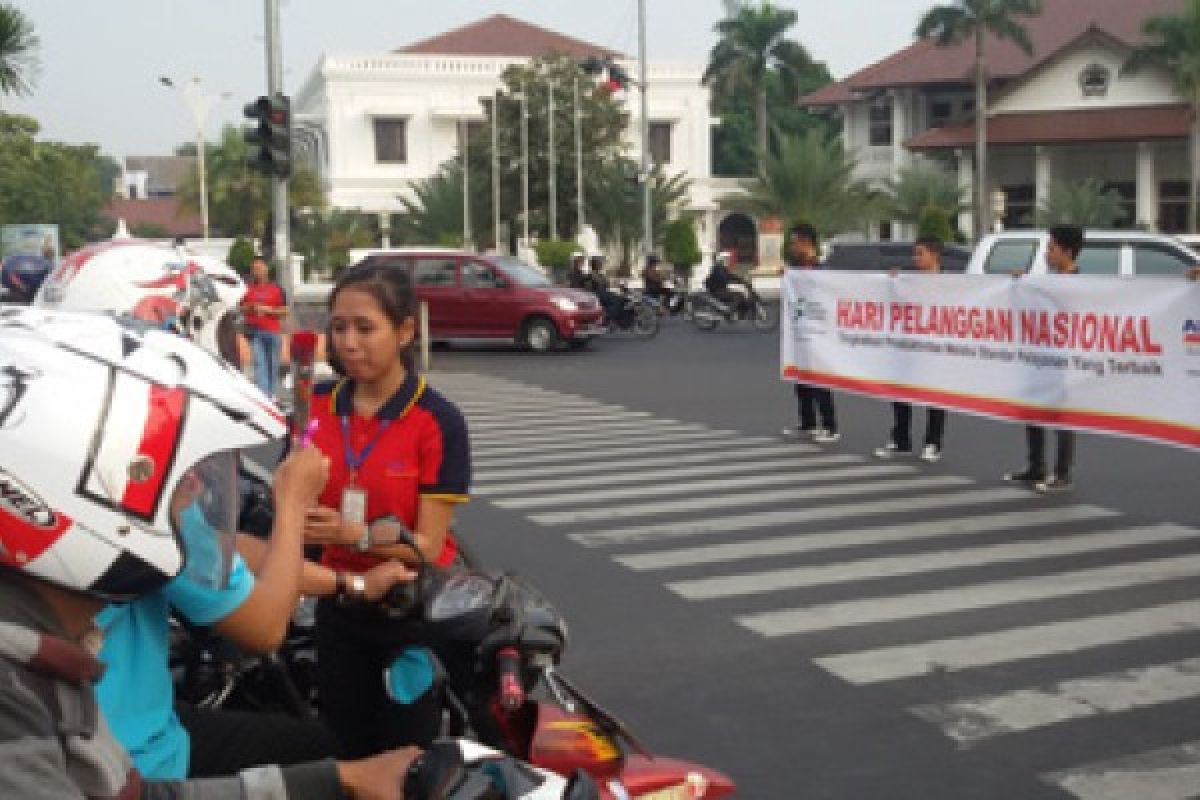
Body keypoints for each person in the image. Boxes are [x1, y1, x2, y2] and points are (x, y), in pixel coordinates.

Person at [0, 308, 419, 799]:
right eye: (156, 465)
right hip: (152, 746)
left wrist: (355, 583)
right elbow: (262, 627)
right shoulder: (17, 703)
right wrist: (292, 505)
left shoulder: (48, 650)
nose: (190, 486)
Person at [303, 263, 471, 759]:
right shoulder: (315, 406)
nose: (349, 343)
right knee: (344, 746)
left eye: (365, 328)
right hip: (338, 603)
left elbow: (428, 545)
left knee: (405, 752)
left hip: (410, 612)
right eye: (338, 328)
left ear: (404, 331)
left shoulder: (437, 422)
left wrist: (351, 534)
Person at [1004, 223, 1084, 493]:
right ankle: (1035, 466)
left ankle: (1062, 472)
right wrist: (1020, 283)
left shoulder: (1082, 284)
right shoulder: (1045, 280)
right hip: (1039, 356)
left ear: (1068, 252)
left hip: (1065, 360)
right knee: (1034, 408)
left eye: (1051, 248)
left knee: (1063, 415)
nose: (1047, 254)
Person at [875, 235, 948, 462]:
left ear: (935, 255)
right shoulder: (908, 281)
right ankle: (901, 439)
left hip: (935, 348)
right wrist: (893, 282)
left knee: (934, 395)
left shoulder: (951, 284)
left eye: (920, 253)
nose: (915, 258)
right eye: (914, 253)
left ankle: (933, 442)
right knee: (901, 392)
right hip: (908, 347)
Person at [779, 224, 839, 444]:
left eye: (795, 242)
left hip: (820, 334)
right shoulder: (796, 270)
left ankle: (830, 426)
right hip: (801, 333)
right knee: (801, 380)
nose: (793, 246)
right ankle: (808, 423)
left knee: (820, 382)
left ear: (806, 243)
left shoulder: (821, 269)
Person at [241, 255, 288, 399]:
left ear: (266, 269)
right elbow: (241, 307)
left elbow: (285, 311)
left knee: (273, 365)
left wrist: (268, 310)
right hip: (255, 333)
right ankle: (264, 397)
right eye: (254, 269)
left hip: (273, 332)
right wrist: (251, 308)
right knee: (259, 364)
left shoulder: (276, 289)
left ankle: (273, 394)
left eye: (260, 268)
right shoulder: (247, 289)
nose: (257, 271)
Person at [703, 250, 751, 317]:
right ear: (721, 259)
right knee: (738, 296)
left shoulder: (722, 268)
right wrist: (735, 282)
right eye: (726, 259)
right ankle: (729, 311)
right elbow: (724, 279)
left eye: (727, 259)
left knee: (740, 293)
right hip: (717, 291)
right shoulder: (717, 268)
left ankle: (739, 312)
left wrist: (740, 279)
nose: (727, 260)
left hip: (721, 289)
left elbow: (730, 275)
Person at [585, 254, 623, 323]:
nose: (601, 264)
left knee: (620, 298)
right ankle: (607, 317)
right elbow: (588, 289)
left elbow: (608, 284)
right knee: (616, 300)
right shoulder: (590, 275)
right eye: (599, 263)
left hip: (604, 294)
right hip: (597, 295)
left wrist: (619, 284)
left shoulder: (600, 275)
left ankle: (613, 318)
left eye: (601, 263)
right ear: (595, 264)